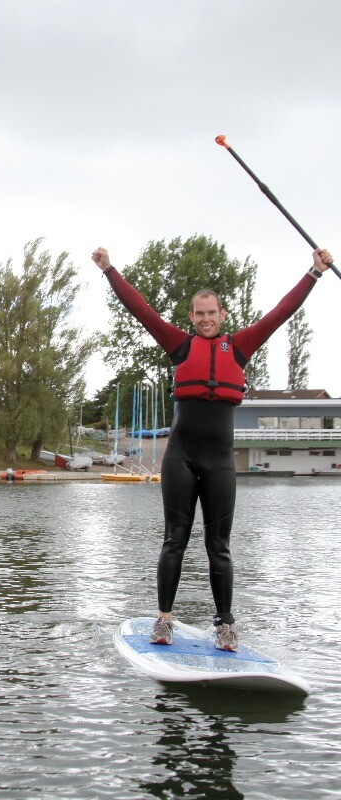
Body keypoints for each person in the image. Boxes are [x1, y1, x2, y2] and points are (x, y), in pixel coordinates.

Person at [91, 246, 333, 650]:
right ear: (192, 317)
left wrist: (314, 273)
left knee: (218, 547)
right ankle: (164, 620)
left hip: (220, 462)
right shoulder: (179, 346)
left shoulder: (239, 347)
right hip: (180, 458)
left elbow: (279, 313)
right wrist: (109, 270)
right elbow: (142, 310)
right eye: (198, 313)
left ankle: (224, 624)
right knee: (174, 541)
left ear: (222, 315)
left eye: (211, 313)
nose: (205, 319)